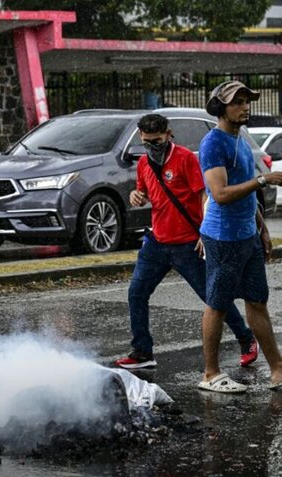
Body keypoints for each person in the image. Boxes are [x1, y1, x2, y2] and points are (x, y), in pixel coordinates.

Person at [115, 114, 257, 369]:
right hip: (157, 241)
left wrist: (204, 232)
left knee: (212, 296)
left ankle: (246, 338)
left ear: (168, 134)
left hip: (187, 243)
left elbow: (205, 195)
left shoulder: (185, 159)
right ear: (140, 137)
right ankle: (142, 351)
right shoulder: (144, 164)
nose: (152, 146)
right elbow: (144, 192)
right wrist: (137, 195)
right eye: (147, 142)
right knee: (137, 293)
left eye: (157, 140)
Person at [198, 80, 282, 393]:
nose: (245, 107)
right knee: (217, 304)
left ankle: (277, 368)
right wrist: (264, 179)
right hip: (223, 237)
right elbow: (219, 194)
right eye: (237, 102)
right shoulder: (213, 144)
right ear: (221, 107)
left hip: (247, 235)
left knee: (257, 302)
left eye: (247, 101)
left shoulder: (240, 137)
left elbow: (245, 188)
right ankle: (210, 373)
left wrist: (261, 228)